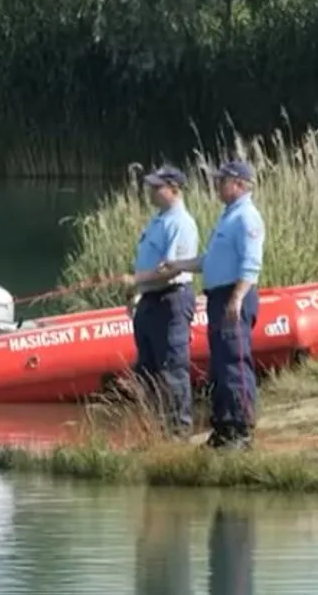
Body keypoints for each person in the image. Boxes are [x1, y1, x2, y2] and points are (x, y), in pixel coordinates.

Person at [159, 160, 264, 450]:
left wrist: (238, 297)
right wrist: (177, 265)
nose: (217, 186)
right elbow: (209, 261)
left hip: (234, 296)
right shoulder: (228, 216)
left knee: (235, 361)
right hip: (219, 297)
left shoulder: (247, 217)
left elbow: (252, 262)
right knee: (220, 364)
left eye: (222, 181)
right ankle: (223, 428)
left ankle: (241, 430)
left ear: (239, 184)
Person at [118, 165, 200, 437]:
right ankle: (155, 430)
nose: (151, 192)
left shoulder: (181, 223)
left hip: (171, 300)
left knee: (172, 368)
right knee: (147, 368)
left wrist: (137, 279)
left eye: (157, 187)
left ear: (174, 189)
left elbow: (171, 270)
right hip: (150, 300)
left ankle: (178, 432)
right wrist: (136, 293)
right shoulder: (158, 220)